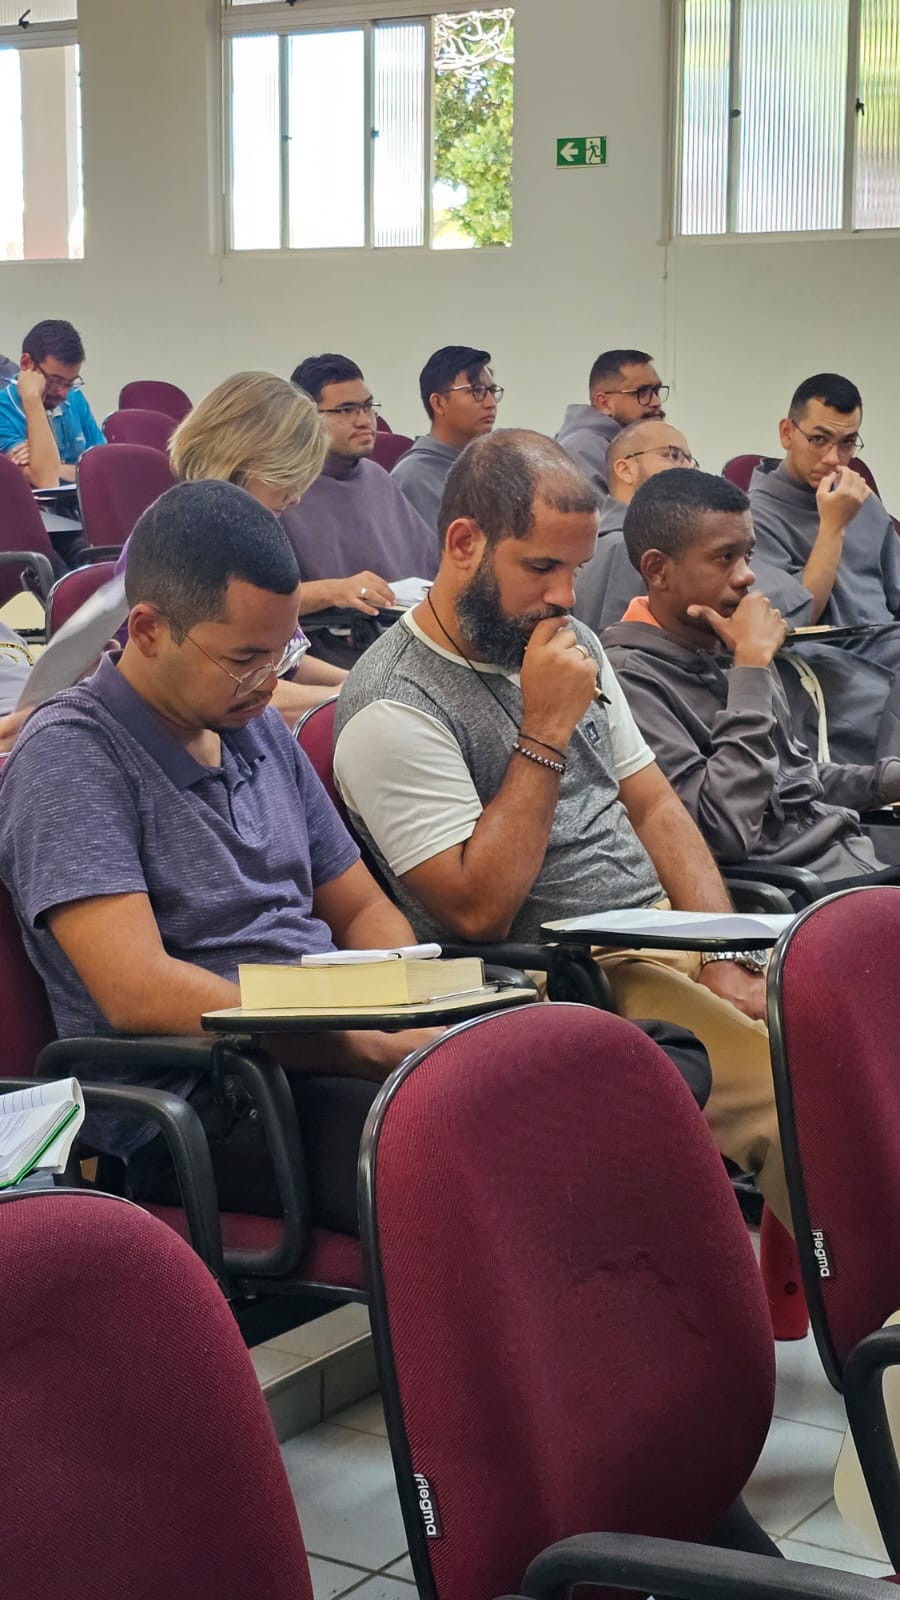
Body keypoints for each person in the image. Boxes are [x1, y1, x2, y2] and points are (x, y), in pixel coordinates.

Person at [333, 428, 793, 1230]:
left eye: (576, 569)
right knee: (797, 1099)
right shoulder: (393, 706)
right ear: (464, 543)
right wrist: (542, 731)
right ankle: (855, 1288)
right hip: (560, 972)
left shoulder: (565, 641)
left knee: (854, 1032)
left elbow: (654, 806)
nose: (566, 598)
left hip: (659, 935)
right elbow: (478, 911)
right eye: (541, 567)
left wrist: (721, 951)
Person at [0, 481, 437, 1227]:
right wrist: (345, 1039)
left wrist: (400, 1001)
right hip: (201, 1100)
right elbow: (137, 991)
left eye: (282, 653)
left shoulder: (253, 726)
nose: (268, 684)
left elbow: (363, 907)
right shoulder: (72, 756)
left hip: (316, 1052)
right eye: (244, 658)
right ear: (147, 630)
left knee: (529, 1098)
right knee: (458, 1152)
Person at [601, 470, 900, 886]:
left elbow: (795, 782)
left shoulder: (733, 646)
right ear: (657, 570)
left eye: (748, 555)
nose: (746, 575)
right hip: (792, 890)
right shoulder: (629, 679)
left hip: (850, 865)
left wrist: (886, 778)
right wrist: (751, 671)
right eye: (725, 557)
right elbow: (721, 832)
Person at [118, 371, 348, 721]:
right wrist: (351, 697)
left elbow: (286, 665)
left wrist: (360, 683)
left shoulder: (239, 534)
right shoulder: (185, 543)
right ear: (243, 460)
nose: (296, 497)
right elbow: (239, 688)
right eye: (287, 478)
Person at [747, 372, 900, 763]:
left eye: (847, 443)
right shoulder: (753, 516)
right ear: (787, 433)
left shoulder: (862, 499)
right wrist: (833, 526)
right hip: (824, 662)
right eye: (819, 439)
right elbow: (796, 617)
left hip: (886, 646)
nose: (833, 458)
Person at [286, 354, 440, 668]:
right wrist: (334, 591)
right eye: (346, 410)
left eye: (368, 407)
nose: (364, 420)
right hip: (333, 664)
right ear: (304, 417)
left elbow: (433, 567)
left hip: (412, 646)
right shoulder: (284, 492)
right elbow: (256, 602)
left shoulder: (377, 478)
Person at [573, 418, 695, 631]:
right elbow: (618, 644)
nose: (689, 469)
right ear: (625, 470)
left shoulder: (614, 540)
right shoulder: (623, 545)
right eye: (673, 455)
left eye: (692, 461)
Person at [391, 345, 501, 529]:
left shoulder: (492, 464)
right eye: (477, 391)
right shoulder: (413, 478)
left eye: (492, 391)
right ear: (438, 403)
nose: (491, 403)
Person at [0, 319, 104, 488]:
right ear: (26, 364)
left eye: (70, 382)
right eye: (54, 381)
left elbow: (105, 469)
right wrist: (32, 399)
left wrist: (56, 466)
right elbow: (47, 481)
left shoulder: (75, 397)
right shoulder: (2, 411)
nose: (63, 393)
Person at [556, 348, 668, 502]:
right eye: (642, 392)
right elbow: (598, 517)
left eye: (656, 391)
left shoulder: (631, 446)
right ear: (604, 403)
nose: (656, 402)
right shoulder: (581, 449)